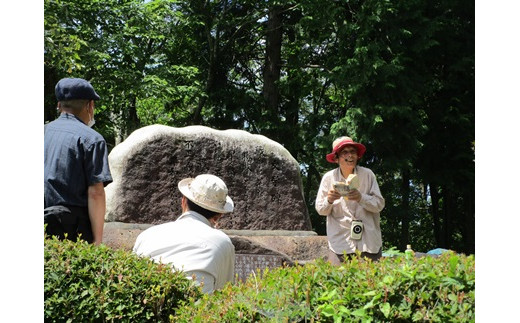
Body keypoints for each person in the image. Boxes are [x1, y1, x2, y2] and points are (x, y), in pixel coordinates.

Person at [133, 174, 235, 294]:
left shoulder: (147, 236)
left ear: (183, 201)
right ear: (219, 215)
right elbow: (223, 292)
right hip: (197, 311)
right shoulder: (223, 242)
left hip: (148, 309)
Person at [44, 78, 112, 245]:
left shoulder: (43, 131)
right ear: (90, 106)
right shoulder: (92, 139)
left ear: (59, 105)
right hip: (73, 231)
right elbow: (96, 193)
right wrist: (97, 241)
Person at [315, 136, 385, 263]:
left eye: (353, 151)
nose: (350, 155)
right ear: (336, 158)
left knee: (371, 282)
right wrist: (329, 200)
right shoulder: (328, 178)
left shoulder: (367, 175)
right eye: (344, 152)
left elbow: (379, 205)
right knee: (337, 281)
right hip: (340, 244)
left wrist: (361, 198)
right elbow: (320, 210)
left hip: (368, 243)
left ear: (358, 156)